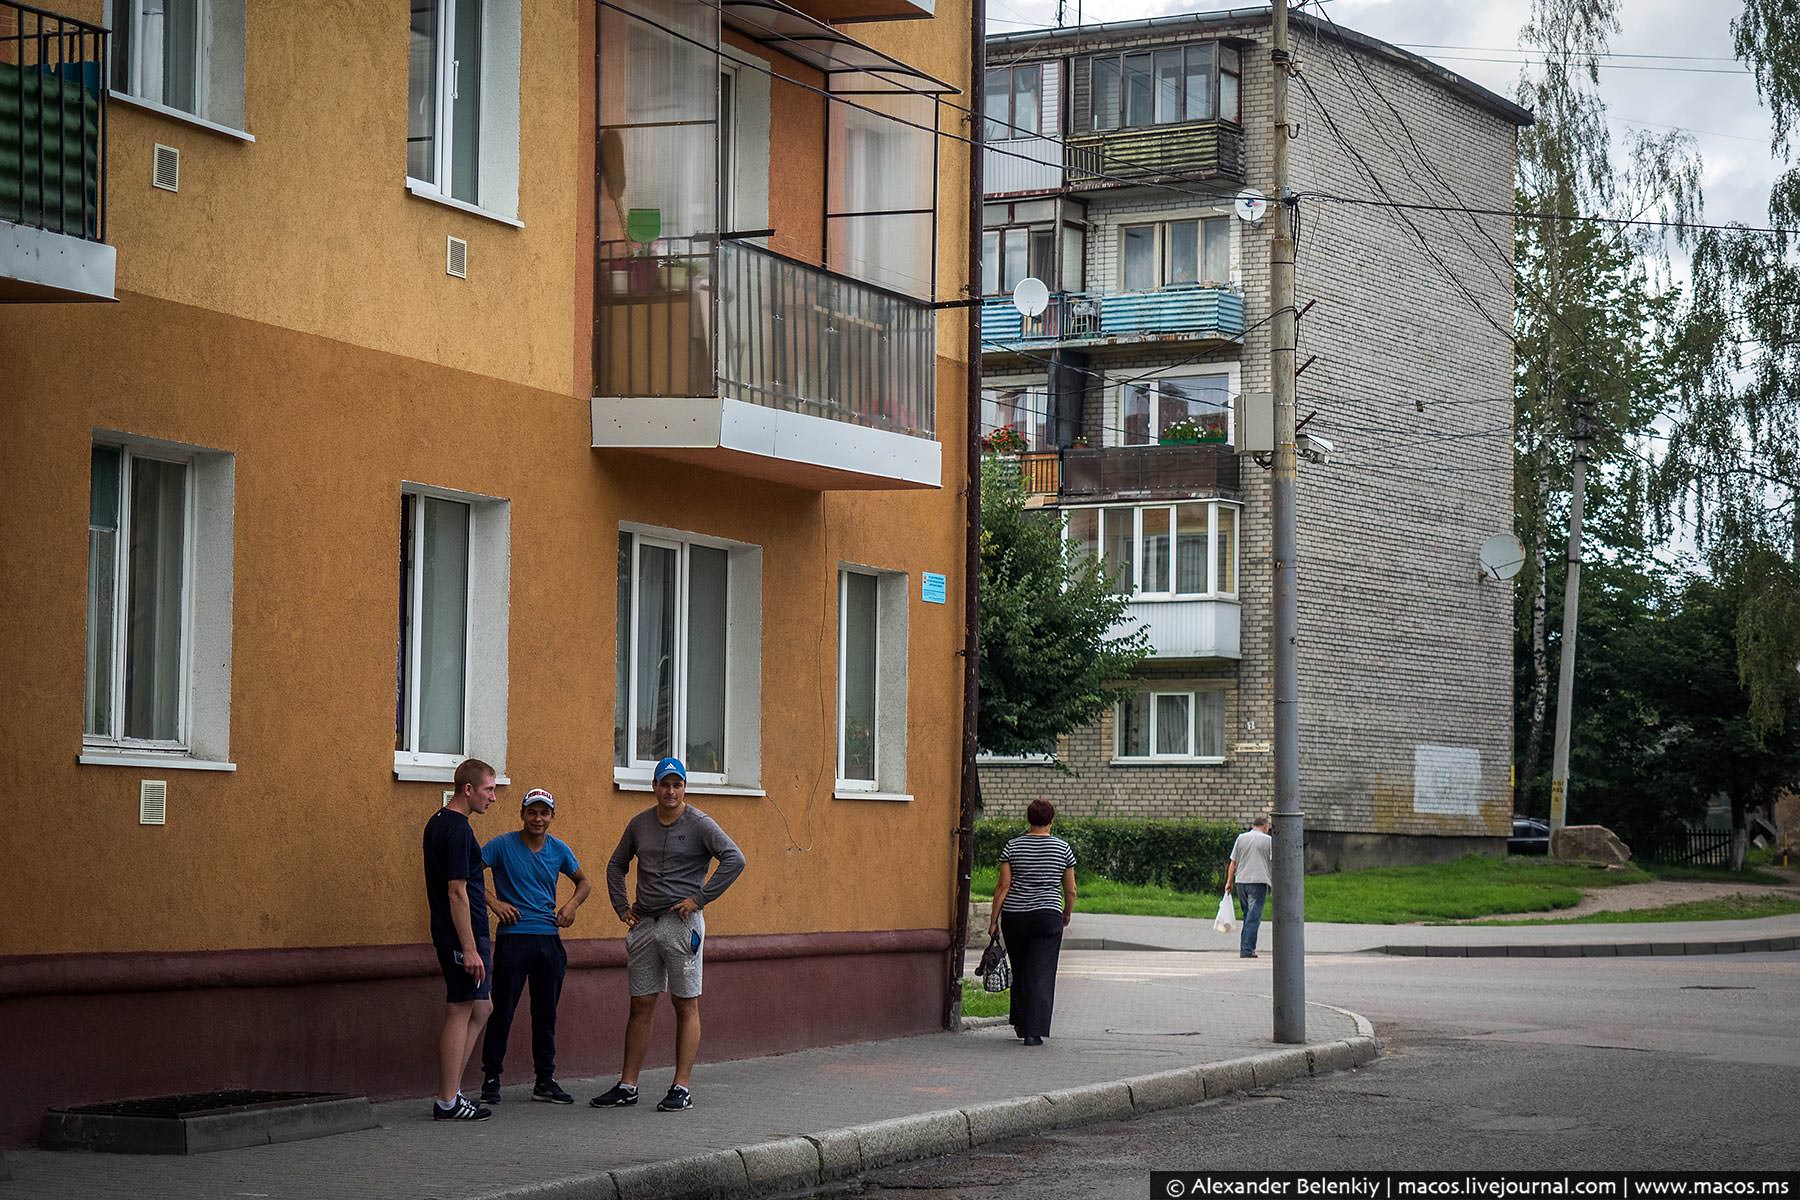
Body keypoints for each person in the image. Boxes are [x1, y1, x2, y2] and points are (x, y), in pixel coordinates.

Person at [590, 757, 746, 1112]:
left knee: (684, 1003)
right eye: (664, 784)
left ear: (685, 788)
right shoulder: (640, 824)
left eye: (677, 785)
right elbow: (616, 864)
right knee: (641, 1003)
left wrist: (699, 898)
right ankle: (628, 1085)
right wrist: (621, 906)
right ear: (654, 787)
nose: (670, 791)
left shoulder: (700, 824)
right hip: (645, 922)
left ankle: (681, 1086)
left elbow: (735, 859)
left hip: (681, 924)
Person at [478, 788, 592, 1106]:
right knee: (502, 1010)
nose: (538, 819)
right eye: (532, 812)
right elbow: (471, 872)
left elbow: (584, 882)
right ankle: (491, 1077)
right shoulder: (502, 845)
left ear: (551, 817)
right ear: (522, 815)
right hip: (514, 938)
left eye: (544, 813)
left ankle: (544, 1080)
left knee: (545, 1013)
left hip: (548, 939)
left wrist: (571, 907)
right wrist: (494, 902)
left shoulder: (558, 849)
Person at [422, 758, 499, 1121]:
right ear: (467, 790)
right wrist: (468, 947)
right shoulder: (456, 830)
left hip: (469, 932)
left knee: (482, 1007)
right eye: (489, 789)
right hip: (460, 936)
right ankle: (447, 1100)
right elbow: (456, 891)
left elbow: (465, 886)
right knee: (460, 1009)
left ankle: (451, 1093)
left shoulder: (440, 823)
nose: (493, 798)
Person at [987, 798, 1077, 1047]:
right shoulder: (1062, 848)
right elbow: (1070, 889)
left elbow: (1002, 887)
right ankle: (1033, 1032)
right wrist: (1066, 913)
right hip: (1048, 915)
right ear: (1051, 820)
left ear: (1028, 819)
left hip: (1016, 916)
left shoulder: (1012, 847)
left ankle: (1020, 1022)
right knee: (1042, 972)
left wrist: (993, 920)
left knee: (1022, 968)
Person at [1224, 814, 1273, 959]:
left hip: (1241, 882)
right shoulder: (1268, 840)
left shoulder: (1241, 838)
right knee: (1253, 917)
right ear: (1265, 826)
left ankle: (1244, 947)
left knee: (1247, 915)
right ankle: (1247, 949)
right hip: (1258, 881)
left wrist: (1229, 882)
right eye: (1268, 827)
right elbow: (1274, 862)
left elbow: (1233, 862)